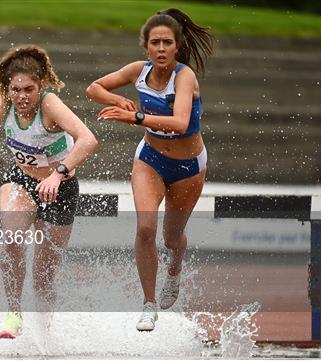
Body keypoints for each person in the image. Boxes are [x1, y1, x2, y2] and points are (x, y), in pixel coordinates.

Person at [86, 8, 214, 331]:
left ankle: (175, 267)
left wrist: (136, 117)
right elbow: (94, 88)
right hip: (150, 160)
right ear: (146, 47)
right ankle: (149, 304)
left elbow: (180, 122)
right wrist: (118, 101)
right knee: (145, 228)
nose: (160, 48)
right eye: (154, 42)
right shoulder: (138, 71)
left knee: (171, 238)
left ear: (176, 47)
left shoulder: (184, 77)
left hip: (187, 167)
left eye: (167, 43)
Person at [0, 45, 97, 339]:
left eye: (29, 89)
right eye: (16, 90)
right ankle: (13, 314)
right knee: (11, 237)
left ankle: (44, 332)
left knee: (43, 275)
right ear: (7, 88)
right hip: (21, 181)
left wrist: (58, 173)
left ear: (41, 87)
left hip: (59, 189)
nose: (22, 97)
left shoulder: (50, 105)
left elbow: (88, 139)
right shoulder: (3, 105)